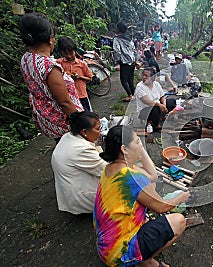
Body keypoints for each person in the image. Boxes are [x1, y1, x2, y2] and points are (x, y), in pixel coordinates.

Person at [93, 125, 190, 267]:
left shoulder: (112, 168)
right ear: (124, 149)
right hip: (120, 253)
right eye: (138, 142)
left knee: (151, 189)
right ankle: (144, 261)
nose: (141, 146)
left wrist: (138, 147)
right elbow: (161, 206)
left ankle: (141, 256)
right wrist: (180, 197)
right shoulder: (132, 176)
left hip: (106, 246)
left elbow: (153, 176)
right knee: (179, 221)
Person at [19, 12, 83, 141]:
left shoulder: (26, 59)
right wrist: (82, 125)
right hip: (65, 122)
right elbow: (64, 102)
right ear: (50, 39)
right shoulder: (49, 67)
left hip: (47, 119)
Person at [51, 111, 107, 215]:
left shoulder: (68, 136)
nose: (100, 132)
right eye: (98, 128)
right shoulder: (81, 149)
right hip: (80, 198)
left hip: (69, 192)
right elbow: (108, 171)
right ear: (84, 131)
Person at [56, 36, 93, 111]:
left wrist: (79, 77)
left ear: (75, 50)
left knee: (86, 115)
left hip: (81, 95)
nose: (69, 56)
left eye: (70, 53)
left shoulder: (81, 64)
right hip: (68, 97)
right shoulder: (58, 63)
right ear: (61, 52)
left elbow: (90, 78)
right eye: (65, 53)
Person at [113, 21, 136, 102]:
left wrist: (117, 60)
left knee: (123, 80)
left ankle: (130, 95)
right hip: (132, 61)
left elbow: (117, 51)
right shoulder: (129, 39)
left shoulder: (117, 39)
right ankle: (133, 94)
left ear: (118, 29)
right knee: (130, 79)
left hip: (125, 62)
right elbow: (134, 50)